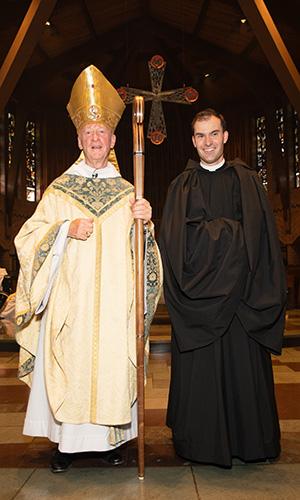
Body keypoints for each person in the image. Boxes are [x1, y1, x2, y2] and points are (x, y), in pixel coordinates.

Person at [14, 65, 162, 473]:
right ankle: (65, 446)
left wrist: (146, 224)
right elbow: (28, 239)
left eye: (102, 133)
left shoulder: (130, 192)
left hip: (115, 305)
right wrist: (63, 230)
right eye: (89, 133)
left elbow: (144, 258)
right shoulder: (59, 191)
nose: (95, 139)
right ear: (79, 139)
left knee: (113, 367)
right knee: (71, 366)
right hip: (70, 306)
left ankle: (112, 443)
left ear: (113, 140)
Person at [159, 108, 286, 467]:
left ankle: (251, 441)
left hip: (242, 300)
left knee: (244, 371)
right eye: (200, 136)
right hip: (199, 299)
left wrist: (213, 235)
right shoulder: (181, 185)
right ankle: (200, 443)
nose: (208, 142)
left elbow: (261, 239)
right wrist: (231, 232)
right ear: (193, 140)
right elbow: (175, 241)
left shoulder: (247, 180)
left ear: (226, 136)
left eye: (214, 134)